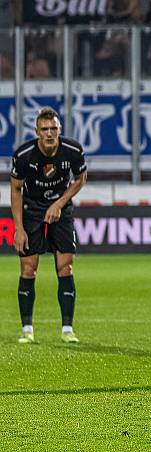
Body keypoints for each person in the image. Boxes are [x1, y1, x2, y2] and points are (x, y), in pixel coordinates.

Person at [10, 108, 87, 344]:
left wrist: (59, 203)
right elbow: (15, 190)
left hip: (61, 210)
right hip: (32, 210)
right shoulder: (24, 155)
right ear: (37, 132)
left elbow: (81, 178)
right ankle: (27, 329)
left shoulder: (72, 150)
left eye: (54, 128)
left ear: (60, 130)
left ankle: (67, 330)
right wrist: (19, 229)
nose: (50, 133)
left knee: (66, 268)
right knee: (28, 269)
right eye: (45, 129)